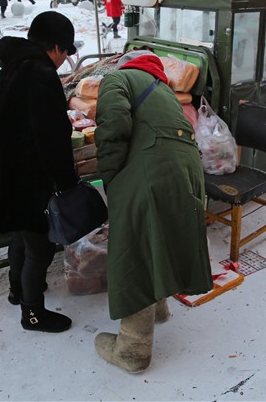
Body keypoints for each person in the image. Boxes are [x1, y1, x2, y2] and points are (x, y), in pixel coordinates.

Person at [93, 50, 213, 373]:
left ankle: (133, 349)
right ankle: (159, 309)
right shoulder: (165, 90)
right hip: (188, 173)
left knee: (137, 247)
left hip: (154, 172)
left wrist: (112, 177)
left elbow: (112, 127)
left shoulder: (117, 79)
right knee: (162, 234)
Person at [0, 11, 80, 334]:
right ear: (57, 47)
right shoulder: (41, 74)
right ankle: (32, 314)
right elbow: (53, 137)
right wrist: (66, 183)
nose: (65, 59)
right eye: (67, 52)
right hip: (29, 175)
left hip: (6, 172)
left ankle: (16, 290)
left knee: (19, 234)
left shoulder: (12, 67)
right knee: (40, 247)